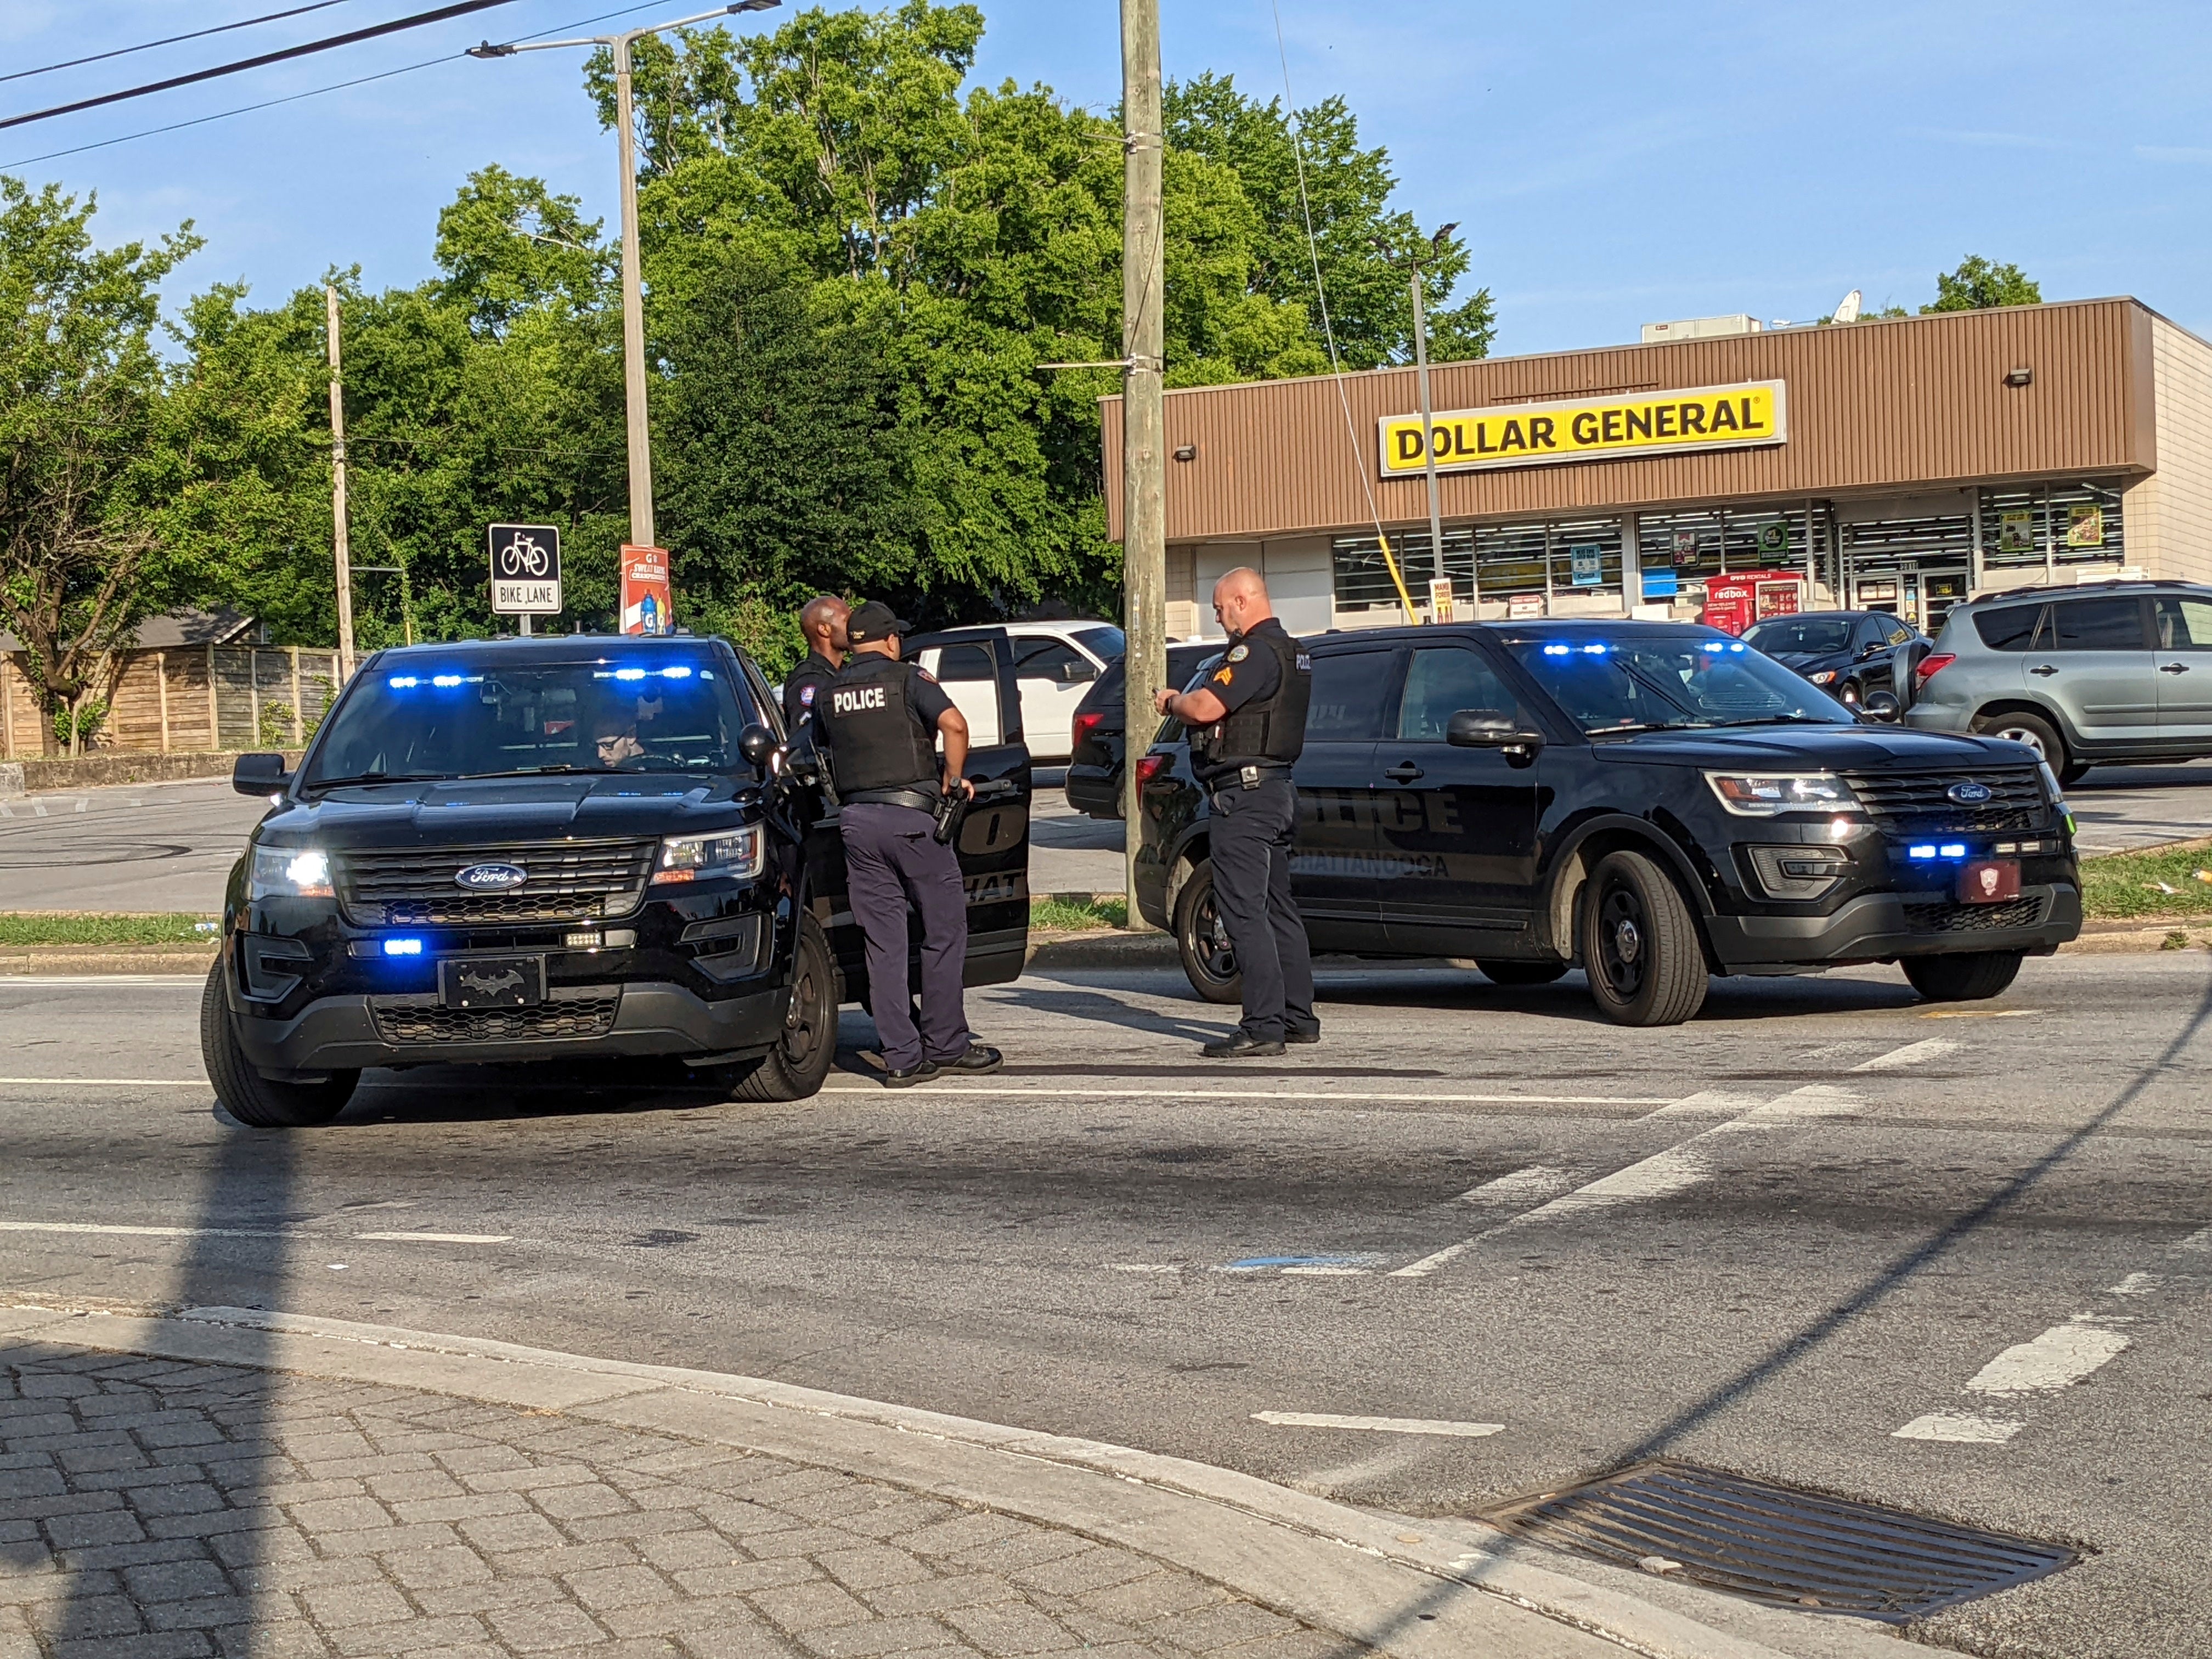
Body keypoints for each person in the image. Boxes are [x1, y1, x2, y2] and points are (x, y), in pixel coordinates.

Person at [815, 601, 1002, 1087]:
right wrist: (954, 777)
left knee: (884, 943)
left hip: (856, 823)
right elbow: (955, 724)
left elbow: (813, 751)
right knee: (943, 931)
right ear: (892, 640)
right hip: (913, 822)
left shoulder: (830, 690)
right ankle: (946, 1043)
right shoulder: (908, 679)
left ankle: (901, 1056)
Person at [1154, 567, 1316, 1058]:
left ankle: (1263, 1025)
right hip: (1277, 790)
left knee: (1243, 911)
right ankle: (1297, 1016)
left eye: (1222, 609)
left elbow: (1205, 707)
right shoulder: (1293, 651)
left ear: (1244, 601)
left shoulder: (1254, 653)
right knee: (1278, 907)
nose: (1221, 619)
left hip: (1244, 799)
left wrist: (1173, 702)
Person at [783, 595, 850, 734]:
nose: (853, 627)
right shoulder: (809, 682)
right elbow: (806, 743)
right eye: (846, 620)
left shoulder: (848, 671)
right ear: (824, 629)